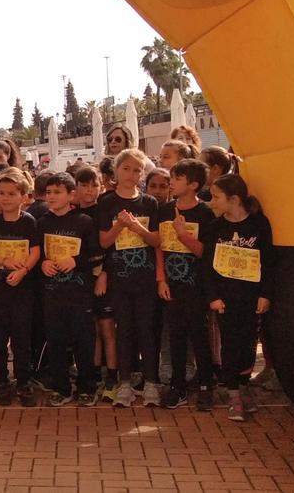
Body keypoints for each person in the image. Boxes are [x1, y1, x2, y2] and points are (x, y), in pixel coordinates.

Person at [202, 173, 275, 422]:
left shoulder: (258, 225)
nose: (212, 202)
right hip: (225, 299)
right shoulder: (216, 228)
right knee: (230, 345)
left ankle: (244, 387)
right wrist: (212, 296)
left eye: (216, 197)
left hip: (251, 297)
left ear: (234, 199)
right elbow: (207, 265)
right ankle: (233, 393)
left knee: (247, 344)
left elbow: (268, 261)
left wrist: (265, 293)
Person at [97, 148, 161, 408]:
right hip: (119, 280)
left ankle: (151, 383)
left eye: (137, 170)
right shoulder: (106, 202)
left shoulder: (150, 203)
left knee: (147, 330)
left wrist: (137, 227)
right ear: (116, 170)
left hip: (145, 278)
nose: (131, 174)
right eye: (126, 168)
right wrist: (119, 225)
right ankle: (124, 383)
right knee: (123, 331)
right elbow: (103, 242)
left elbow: (157, 241)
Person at [0, 168, 40, 406]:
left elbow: (35, 250)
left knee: (22, 338)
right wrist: (3, 262)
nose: (5, 198)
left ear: (23, 196)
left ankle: (23, 381)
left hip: (23, 290)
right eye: (0, 193)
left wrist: (23, 270)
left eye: (11, 193)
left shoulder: (29, 221)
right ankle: (1, 380)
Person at [155, 159, 216, 411]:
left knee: (199, 336)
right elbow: (159, 245)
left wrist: (184, 236)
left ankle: (205, 385)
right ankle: (177, 386)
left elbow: (206, 252)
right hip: (172, 285)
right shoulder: (165, 210)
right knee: (176, 335)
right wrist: (161, 279)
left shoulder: (205, 213)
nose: (172, 182)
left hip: (196, 287)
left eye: (178, 179)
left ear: (193, 184)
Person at [37, 171, 100, 406]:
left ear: (71, 195)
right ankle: (61, 387)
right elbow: (36, 255)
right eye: (48, 192)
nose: (51, 197)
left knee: (84, 342)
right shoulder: (42, 223)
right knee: (56, 342)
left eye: (57, 192)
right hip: (52, 295)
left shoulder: (84, 222)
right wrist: (42, 263)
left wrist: (76, 260)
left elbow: (96, 254)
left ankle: (87, 387)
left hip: (80, 295)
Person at [74, 166, 115, 403]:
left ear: (101, 187)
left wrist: (105, 274)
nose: (89, 190)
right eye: (84, 185)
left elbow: (113, 248)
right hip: (81, 282)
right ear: (76, 188)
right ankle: (95, 372)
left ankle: (112, 375)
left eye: (94, 185)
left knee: (107, 329)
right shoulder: (72, 213)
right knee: (90, 332)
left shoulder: (104, 211)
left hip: (103, 279)